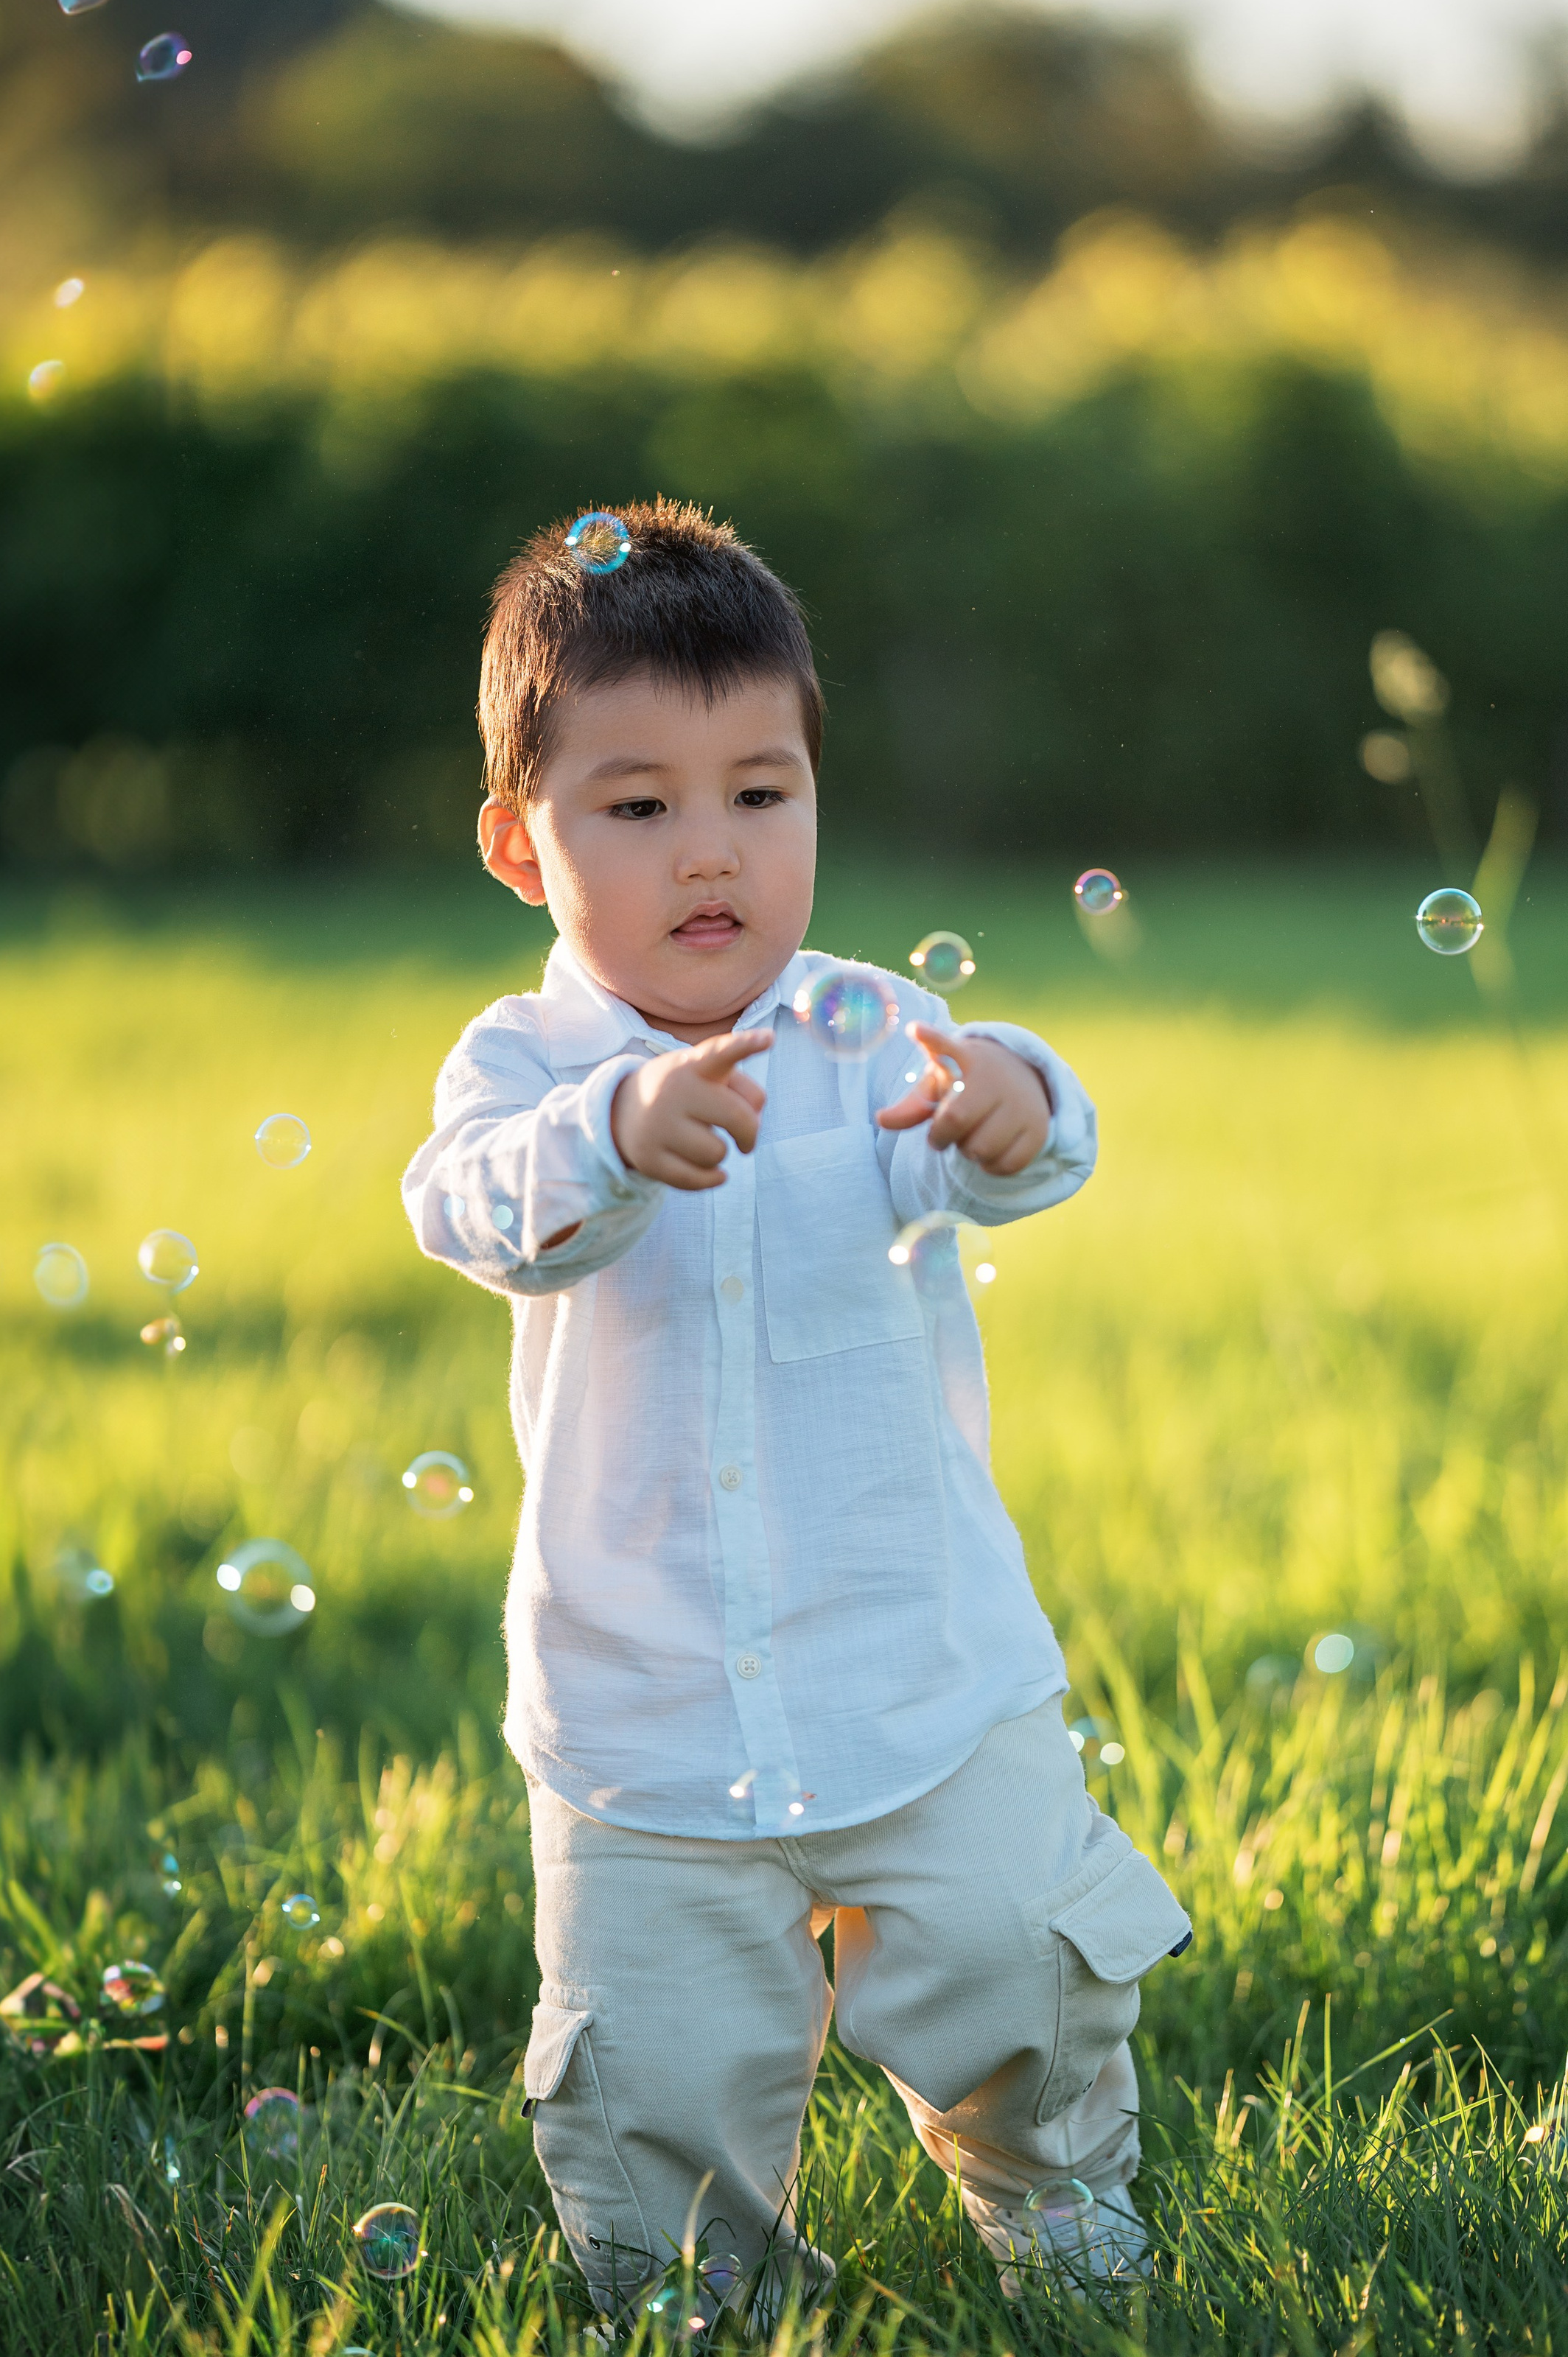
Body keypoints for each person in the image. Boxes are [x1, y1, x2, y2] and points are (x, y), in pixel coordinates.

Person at [400, 499, 1191, 2311]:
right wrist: (613, 1133)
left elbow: (1013, 1146)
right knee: (647, 2086)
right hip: (643, 1729)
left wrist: (1014, 1100)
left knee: (1023, 1975)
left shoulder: (868, 1032)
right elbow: (465, 1202)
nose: (712, 853)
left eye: (760, 794)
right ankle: (703, 2286)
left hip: (920, 1678)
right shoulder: (527, 1066)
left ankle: (1063, 2221)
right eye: (639, 803)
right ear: (520, 846)